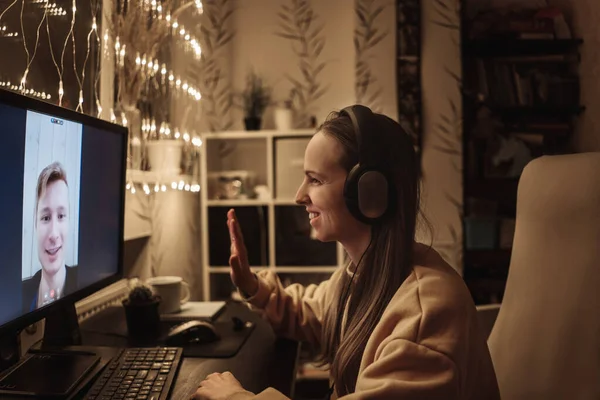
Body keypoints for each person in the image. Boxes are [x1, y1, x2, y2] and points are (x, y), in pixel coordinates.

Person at [192, 105, 500, 400]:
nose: (299, 196)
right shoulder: (362, 275)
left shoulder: (425, 314)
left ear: (368, 191)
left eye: (315, 180)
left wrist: (236, 397)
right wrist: (252, 286)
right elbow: (313, 312)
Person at [22, 161, 78, 312]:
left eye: (61, 216)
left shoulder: (83, 282)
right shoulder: (20, 295)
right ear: (35, 223)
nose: (53, 234)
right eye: (45, 218)